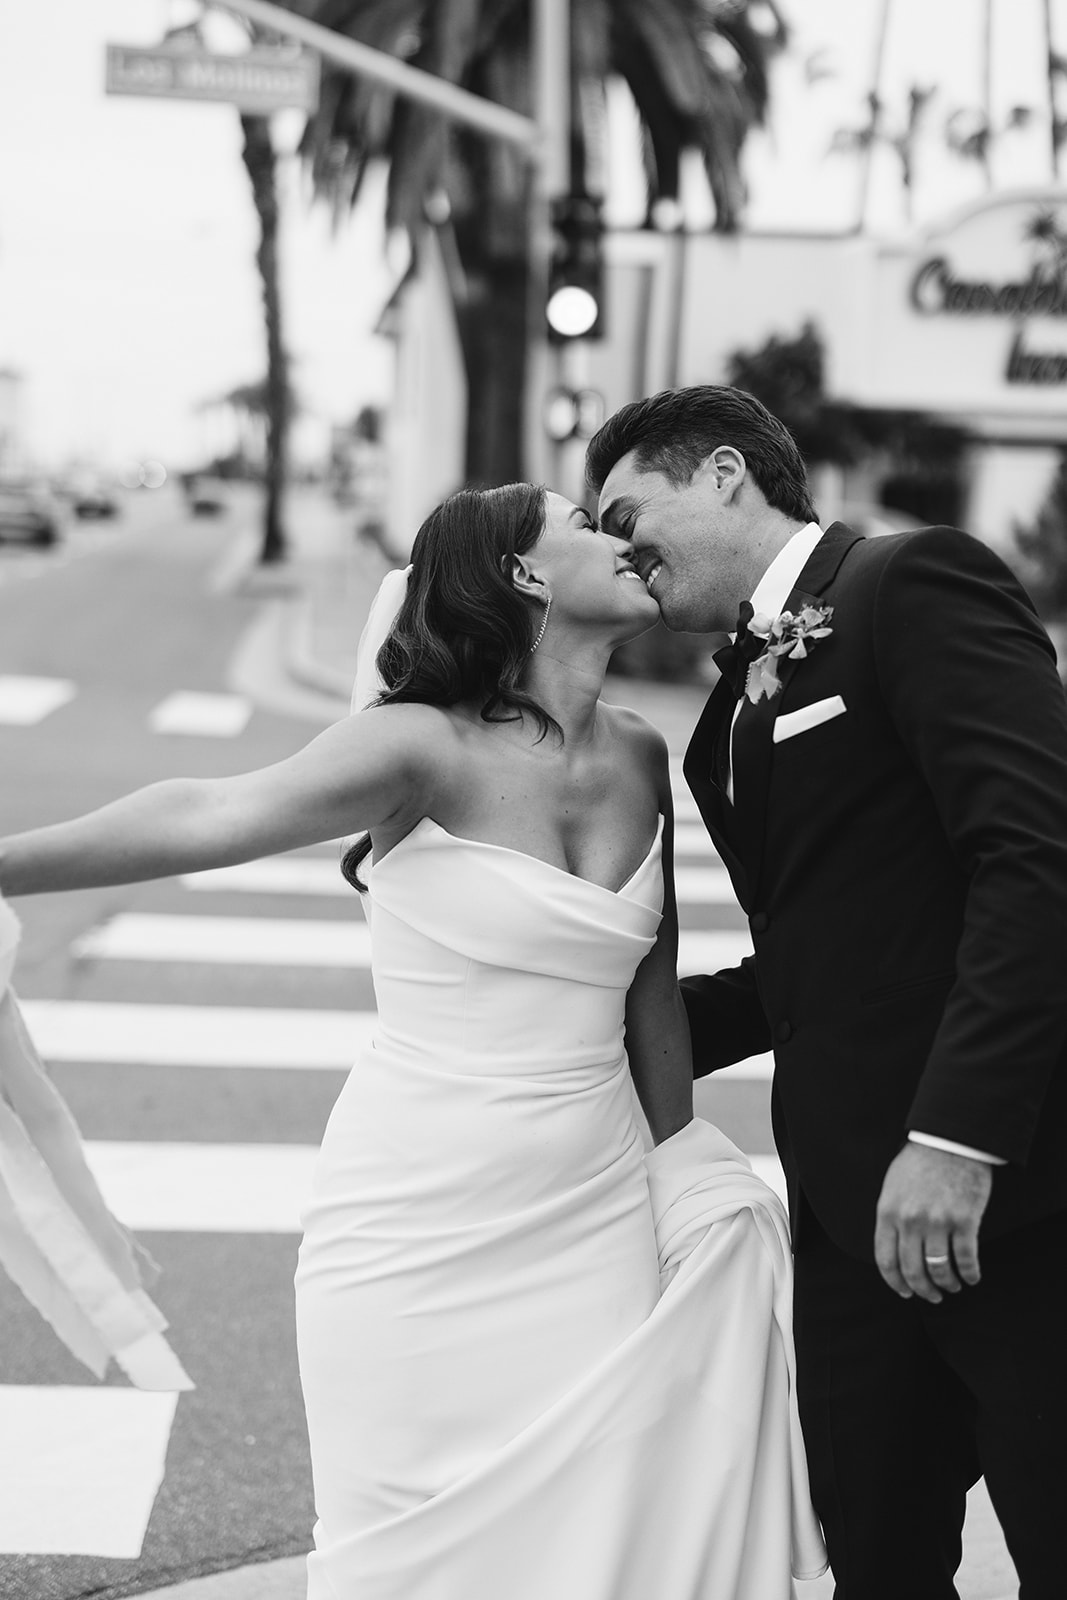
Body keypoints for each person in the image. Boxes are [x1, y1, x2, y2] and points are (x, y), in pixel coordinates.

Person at [0, 483, 824, 1600]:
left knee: (589, 1534)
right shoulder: (418, 748)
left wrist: (679, 1171)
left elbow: (648, 997)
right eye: (584, 522)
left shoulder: (639, 759)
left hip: (594, 1215)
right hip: (415, 1220)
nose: (619, 534)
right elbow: (207, 811)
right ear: (523, 575)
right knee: (412, 1550)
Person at [587, 384, 1067, 1600]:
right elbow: (810, 968)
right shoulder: (712, 732)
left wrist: (955, 1136)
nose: (617, 549)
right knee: (873, 1561)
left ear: (726, 475)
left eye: (626, 510)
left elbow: (1034, 858)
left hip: (1013, 1204)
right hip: (847, 1233)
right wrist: (572, 1033)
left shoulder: (908, 586)